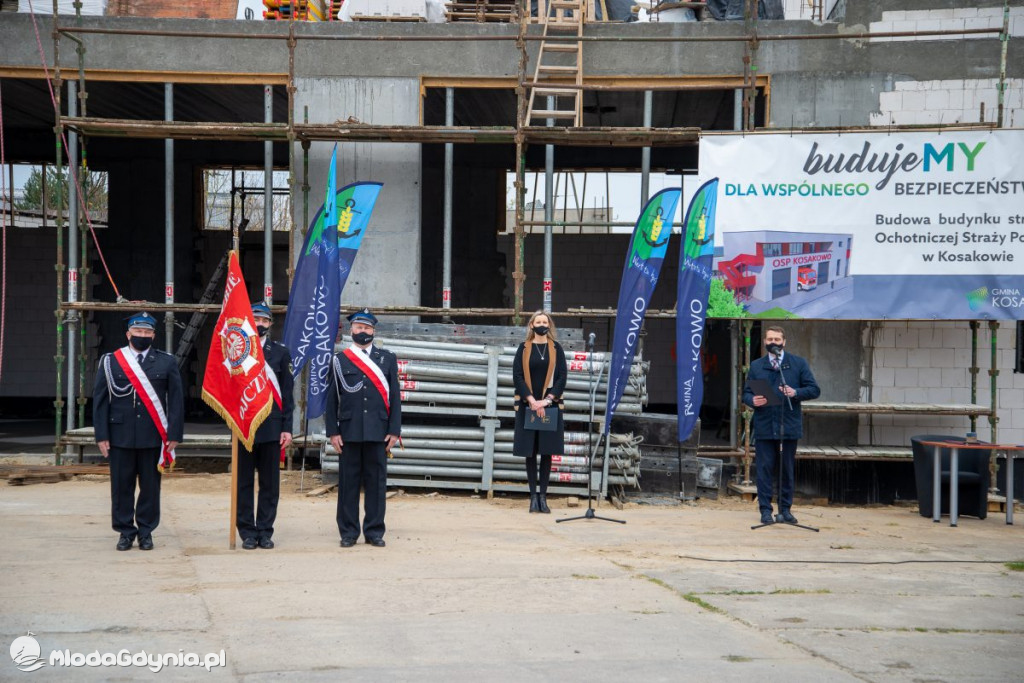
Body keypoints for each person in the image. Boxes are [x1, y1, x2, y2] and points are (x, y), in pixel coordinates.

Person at [93, 312, 184, 551]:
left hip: (153, 436)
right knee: (121, 487)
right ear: (128, 334)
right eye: (138, 332)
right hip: (120, 435)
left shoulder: (166, 361)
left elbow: (175, 401)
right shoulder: (111, 361)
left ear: (153, 335)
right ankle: (125, 532)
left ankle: (146, 531)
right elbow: (100, 400)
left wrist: (174, 434)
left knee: (150, 487)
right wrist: (101, 435)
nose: (142, 336)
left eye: (147, 332)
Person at [325, 308, 401, 548]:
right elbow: (332, 399)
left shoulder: (387, 359)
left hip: (378, 431)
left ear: (373, 331)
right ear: (351, 330)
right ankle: (348, 532)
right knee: (348, 483)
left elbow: (396, 398)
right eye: (359, 327)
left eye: (367, 328)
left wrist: (394, 430)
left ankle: (374, 531)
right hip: (349, 432)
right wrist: (332, 431)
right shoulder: (339, 360)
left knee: (377, 483)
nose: (363, 331)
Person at [742, 325, 820, 525]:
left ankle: (785, 510)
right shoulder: (757, 366)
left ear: (784, 342)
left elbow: (814, 389)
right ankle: (766, 511)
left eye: (777, 340)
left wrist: (795, 393)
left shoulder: (797, 364)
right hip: (765, 425)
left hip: (788, 425)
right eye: (770, 339)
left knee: (786, 469)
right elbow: (746, 393)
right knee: (765, 469)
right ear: (765, 342)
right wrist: (752, 400)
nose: (773, 343)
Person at [236, 302, 294, 550]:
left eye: (264, 320)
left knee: (270, 484)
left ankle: (265, 531)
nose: (259, 324)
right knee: (243, 483)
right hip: (244, 426)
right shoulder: (237, 351)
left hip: (271, 427)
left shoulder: (280, 353)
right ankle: (247, 532)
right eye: (255, 319)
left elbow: (287, 394)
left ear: (270, 324)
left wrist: (287, 427)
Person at [512, 311, 567, 514]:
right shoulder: (524, 348)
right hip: (528, 406)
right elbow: (517, 376)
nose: (542, 324)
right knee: (530, 452)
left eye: (545, 321)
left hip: (550, 407)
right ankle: (533, 496)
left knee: (546, 452)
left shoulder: (555, 348)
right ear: (532, 325)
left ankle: (543, 497)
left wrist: (547, 400)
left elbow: (562, 377)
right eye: (538, 321)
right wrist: (533, 401)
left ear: (549, 325)